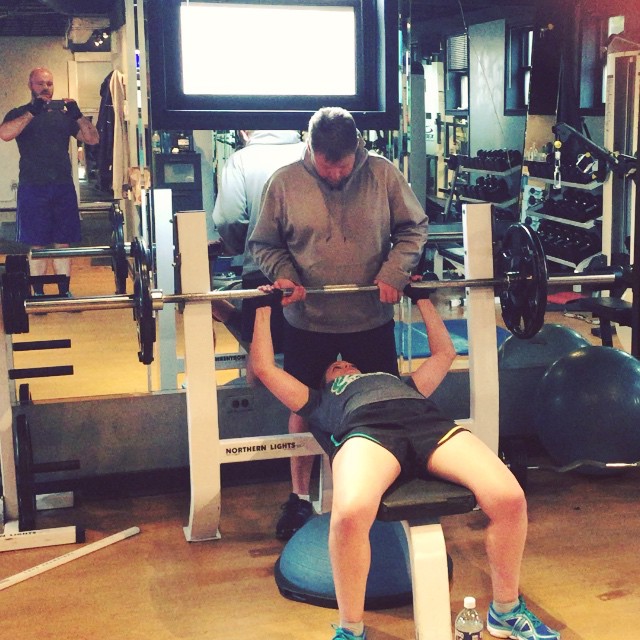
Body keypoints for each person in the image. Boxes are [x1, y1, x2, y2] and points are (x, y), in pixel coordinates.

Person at [249, 287, 561, 640]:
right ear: (325, 380)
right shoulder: (319, 399)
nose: (344, 364)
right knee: (350, 513)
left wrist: (423, 298)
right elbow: (264, 368)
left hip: (430, 426)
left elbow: (444, 354)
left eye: (349, 363)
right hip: (368, 432)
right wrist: (263, 308)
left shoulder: (402, 383)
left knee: (509, 498)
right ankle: (351, 629)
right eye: (336, 367)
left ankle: (506, 610)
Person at [248, 107, 429, 540]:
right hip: (308, 319)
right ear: (310, 148)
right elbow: (264, 244)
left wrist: (394, 271)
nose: (335, 174)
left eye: (343, 165)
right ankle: (299, 498)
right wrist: (283, 275)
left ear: (357, 150)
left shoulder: (383, 175)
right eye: (327, 165)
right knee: (302, 407)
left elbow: (413, 230)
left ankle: (381, 495)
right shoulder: (284, 182)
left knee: (379, 412)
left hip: (370, 317)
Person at [0, 67, 100, 297]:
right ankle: (38, 293)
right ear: (30, 85)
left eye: (49, 84)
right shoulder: (20, 112)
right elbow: (5, 134)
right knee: (37, 244)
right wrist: (32, 113)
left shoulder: (65, 115)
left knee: (63, 242)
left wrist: (77, 113)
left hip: (62, 186)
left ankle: (64, 292)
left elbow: (93, 139)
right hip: (32, 186)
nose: (46, 88)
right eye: (40, 84)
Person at [210, 130, 305, 353]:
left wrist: (241, 247)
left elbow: (229, 218)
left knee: (264, 356)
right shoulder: (310, 154)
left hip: (261, 271)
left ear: (244, 132)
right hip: (311, 275)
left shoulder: (241, 160)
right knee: (308, 359)